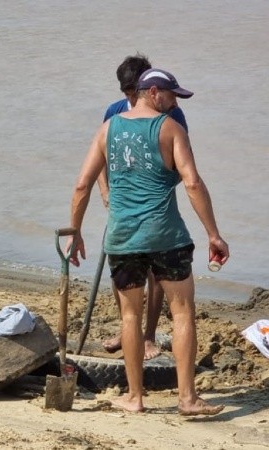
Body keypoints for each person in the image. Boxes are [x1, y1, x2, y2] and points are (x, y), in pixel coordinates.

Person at [66, 68, 228, 415]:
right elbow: (192, 183)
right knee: (183, 313)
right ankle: (187, 399)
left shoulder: (107, 129)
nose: (175, 103)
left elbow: (82, 185)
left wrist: (75, 231)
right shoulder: (171, 129)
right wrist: (213, 234)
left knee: (129, 316)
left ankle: (134, 398)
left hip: (123, 237)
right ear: (153, 92)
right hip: (166, 235)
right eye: (172, 96)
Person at [98, 54, 190, 360]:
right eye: (125, 93)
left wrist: (155, 191)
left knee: (155, 271)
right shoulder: (114, 112)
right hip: (122, 204)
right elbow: (100, 156)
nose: (129, 99)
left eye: (132, 92)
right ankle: (129, 331)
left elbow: (182, 165)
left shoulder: (172, 114)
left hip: (155, 206)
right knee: (123, 270)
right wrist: (106, 191)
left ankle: (148, 335)